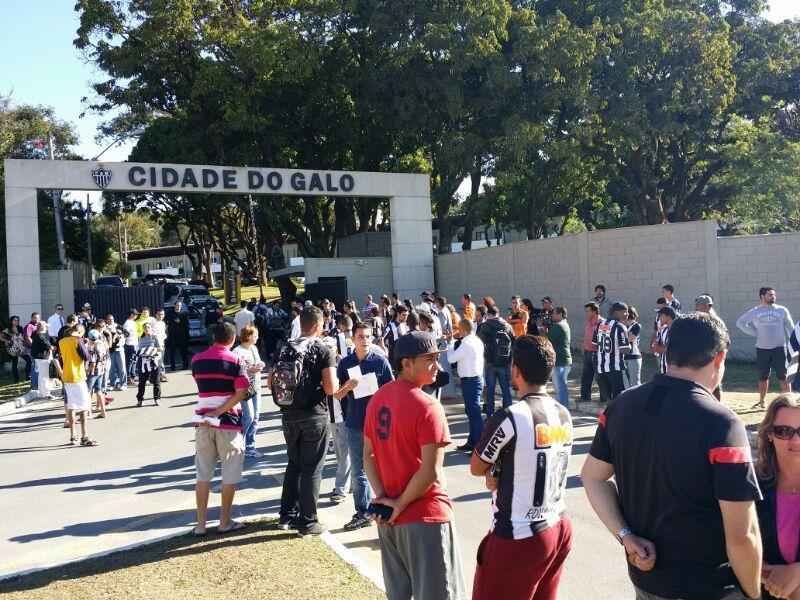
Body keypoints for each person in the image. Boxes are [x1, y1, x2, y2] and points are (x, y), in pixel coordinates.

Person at [581, 313, 763, 600]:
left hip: (646, 580)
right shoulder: (722, 424)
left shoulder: (621, 406)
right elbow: (743, 536)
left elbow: (592, 477)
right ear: (720, 358)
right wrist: (754, 593)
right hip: (709, 586)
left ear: (669, 351)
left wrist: (626, 536)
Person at [363, 331, 466, 600]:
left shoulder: (378, 399)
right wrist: (398, 504)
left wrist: (385, 499)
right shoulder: (428, 406)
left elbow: (368, 456)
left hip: (390, 521)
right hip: (426, 517)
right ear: (406, 363)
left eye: (437, 358)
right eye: (429, 359)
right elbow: (430, 472)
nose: (437, 365)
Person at [471, 335, 573, 600]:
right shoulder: (563, 413)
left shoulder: (511, 416)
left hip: (520, 534)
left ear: (515, 370)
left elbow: (476, 466)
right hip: (557, 523)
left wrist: (493, 470)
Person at [275, 306, 340, 536]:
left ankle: (287, 515)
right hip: (314, 414)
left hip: (288, 414)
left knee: (294, 464)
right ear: (319, 325)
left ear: (300, 323)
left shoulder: (285, 348)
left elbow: (271, 382)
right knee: (312, 468)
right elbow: (331, 388)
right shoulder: (322, 349)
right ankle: (308, 521)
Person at [191, 321, 251, 535]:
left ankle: (200, 525)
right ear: (232, 339)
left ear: (213, 337)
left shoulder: (197, 360)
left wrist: (212, 411)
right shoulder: (236, 360)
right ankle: (224, 521)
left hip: (202, 420)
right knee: (230, 475)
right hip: (228, 423)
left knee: (203, 475)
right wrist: (219, 410)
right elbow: (242, 392)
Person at [334, 321, 394, 530]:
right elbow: (337, 395)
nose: (365, 340)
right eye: (360, 337)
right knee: (359, 471)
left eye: (368, 337)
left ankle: (388, 507)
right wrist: (347, 387)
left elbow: (393, 391)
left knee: (384, 467)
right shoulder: (345, 363)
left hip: (379, 424)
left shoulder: (380, 361)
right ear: (353, 339)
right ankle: (363, 513)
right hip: (355, 423)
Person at [754, 393, 800, 600]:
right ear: (769, 435)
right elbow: (734, 545)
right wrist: (767, 575)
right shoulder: (750, 485)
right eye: (784, 431)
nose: (796, 440)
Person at [737, 287, 795, 409]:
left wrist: (794, 343)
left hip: (780, 349)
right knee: (763, 377)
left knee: (784, 376)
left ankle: (789, 402)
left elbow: (790, 328)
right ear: (762, 296)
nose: (773, 297)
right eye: (770, 295)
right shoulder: (755, 311)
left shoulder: (782, 310)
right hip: (762, 349)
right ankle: (762, 401)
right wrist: (755, 333)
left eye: (774, 295)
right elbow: (740, 323)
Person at [446, 319, 485, 452]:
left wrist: (450, 344)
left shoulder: (466, 343)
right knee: (473, 413)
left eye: (459, 329)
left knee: (474, 413)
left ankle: (478, 445)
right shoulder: (476, 340)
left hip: (470, 381)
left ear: (462, 329)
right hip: (474, 379)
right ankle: (473, 442)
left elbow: (451, 359)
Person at [59, 324, 98, 447]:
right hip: (78, 376)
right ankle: (84, 436)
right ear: (79, 331)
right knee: (84, 406)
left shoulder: (61, 342)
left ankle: (73, 435)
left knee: (71, 406)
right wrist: (85, 344)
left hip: (67, 376)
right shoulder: (77, 340)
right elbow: (86, 356)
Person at [232, 325, 265, 458]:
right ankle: (237, 443)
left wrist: (260, 365)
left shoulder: (254, 348)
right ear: (248, 336)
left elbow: (258, 362)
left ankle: (250, 446)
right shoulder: (237, 351)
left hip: (256, 386)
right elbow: (234, 371)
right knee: (248, 416)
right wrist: (249, 370)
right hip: (244, 388)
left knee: (255, 417)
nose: (257, 337)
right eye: (255, 335)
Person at [477, 305, 514, 415]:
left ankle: (490, 415)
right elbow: (514, 342)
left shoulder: (484, 326)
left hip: (490, 361)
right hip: (504, 362)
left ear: (488, 314)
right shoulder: (507, 325)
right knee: (505, 390)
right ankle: (508, 414)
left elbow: (478, 341)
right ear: (498, 314)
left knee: (490, 391)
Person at [593, 302, 630, 403]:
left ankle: (609, 414)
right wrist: (630, 344)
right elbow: (625, 350)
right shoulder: (620, 327)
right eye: (625, 312)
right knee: (621, 398)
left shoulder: (600, 324)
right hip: (616, 369)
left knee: (608, 401)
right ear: (617, 312)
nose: (627, 314)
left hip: (601, 369)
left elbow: (595, 344)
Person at [548, 306, 572, 408]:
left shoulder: (558, 326)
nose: (552, 315)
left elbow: (547, 340)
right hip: (563, 360)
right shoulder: (564, 324)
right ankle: (563, 408)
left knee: (560, 388)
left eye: (554, 313)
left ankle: (564, 409)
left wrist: (542, 330)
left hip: (560, 361)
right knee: (561, 387)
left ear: (560, 314)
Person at [135, 322, 162, 407]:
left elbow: (160, 349)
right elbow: (138, 350)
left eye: (148, 327)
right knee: (142, 382)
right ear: (143, 329)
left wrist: (151, 350)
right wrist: (144, 351)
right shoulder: (140, 338)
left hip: (154, 361)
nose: (147, 329)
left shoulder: (155, 337)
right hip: (143, 362)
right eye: (145, 327)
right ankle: (140, 400)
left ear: (151, 328)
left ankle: (157, 399)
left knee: (156, 381)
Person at [86, 327, 109, 418]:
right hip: (101, 370)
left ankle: (89, 413)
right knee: (99, 391)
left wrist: (87, 371)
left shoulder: (92, 346)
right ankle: (103, 412)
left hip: (93, 371)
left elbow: (93, 362)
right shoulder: (102, 344)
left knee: (88, 392)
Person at [580, 302, 601, 404]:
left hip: (597, 354)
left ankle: (604, 399)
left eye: (588, 311)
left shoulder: (602, 323)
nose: (586, 313)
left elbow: (604, 339)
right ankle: (584, 398)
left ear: (594, 311)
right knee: (585, 377)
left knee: (600, 378)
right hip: (587, 352)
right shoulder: (588, 322)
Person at [31, 321, 55, 399]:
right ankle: (46, 394)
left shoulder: (38, 335)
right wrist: (53, 347)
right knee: (45, 376)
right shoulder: (40, 336)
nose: (47, 328)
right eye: (46, 326)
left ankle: (42, 392)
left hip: (40, 358)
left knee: (42, 376)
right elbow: (49, 347)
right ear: (42, 327)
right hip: (43, 358)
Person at [1, 316, 26, 383]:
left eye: (17, 320)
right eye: (14, 320)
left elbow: (23, 337)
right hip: (13, 349)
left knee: (28, 360)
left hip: (20, 348)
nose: (16, 321)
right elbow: (1, 337)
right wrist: (7, 341)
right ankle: (16, 379)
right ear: (11, 321)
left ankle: (27, 377)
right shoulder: (8, 329)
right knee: (15, 364)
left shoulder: (20, 328)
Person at [166, 301, 190, 371]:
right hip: (172, 336)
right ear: (174, 306)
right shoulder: (170, 313)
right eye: (177, 305)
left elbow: (187, 325)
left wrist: (187, 336)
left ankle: (185, 366)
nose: (178, 307)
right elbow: (167, 321)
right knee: (172, 352)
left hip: (182, 336)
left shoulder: (184, 314)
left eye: (179, 305)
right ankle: (172, 367)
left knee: (183, 352)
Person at [105, 314, 127, 391]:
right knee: (111, 369)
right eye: (109, 319)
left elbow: (127, 333)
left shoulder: (118, 326)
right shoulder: (105, 328)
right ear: (106, 320)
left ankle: (123, 384)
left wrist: (121, 335)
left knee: (122, 368)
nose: (111, 321)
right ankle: (112, 384)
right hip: (110, 351)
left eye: (112, 319)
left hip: (119, 349)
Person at [652, 306, 677, 375]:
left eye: (661, 315)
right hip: (664, 367)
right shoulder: (663, 329)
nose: (659, 318)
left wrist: (660, 348)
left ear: (668, 317)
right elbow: (655, 347)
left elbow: (671, 348)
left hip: (674, 369)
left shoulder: (677, 330)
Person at [623, 306, 643, 388]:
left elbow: (629, 339)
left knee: (635, 383)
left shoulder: (636, 326)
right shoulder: (623, 326)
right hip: (624, 357)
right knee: (625, 384)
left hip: (633, 356)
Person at [123, 309, 139, 384]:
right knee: (130, 361)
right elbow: (125, 334)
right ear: (132, 314)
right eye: (136, 314)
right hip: (130, 344)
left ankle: (133, 375)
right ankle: (128, 377)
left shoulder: (133, 322)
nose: (137, 316)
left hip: (135, 343)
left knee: (134, 361)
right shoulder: (127, 323)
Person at [153, 308, 168, 382]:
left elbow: (163, 334)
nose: (161, 316)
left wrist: (164, 337)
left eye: (162, 314)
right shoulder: (153, 323)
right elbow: (154, 335)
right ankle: (161, 375)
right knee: (158, 360)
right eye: (159, 314)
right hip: (156, 345)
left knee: (161, 360)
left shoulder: (163, 323)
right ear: (156, 315)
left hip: (162, 344)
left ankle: (160, 375)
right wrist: (158, 345)